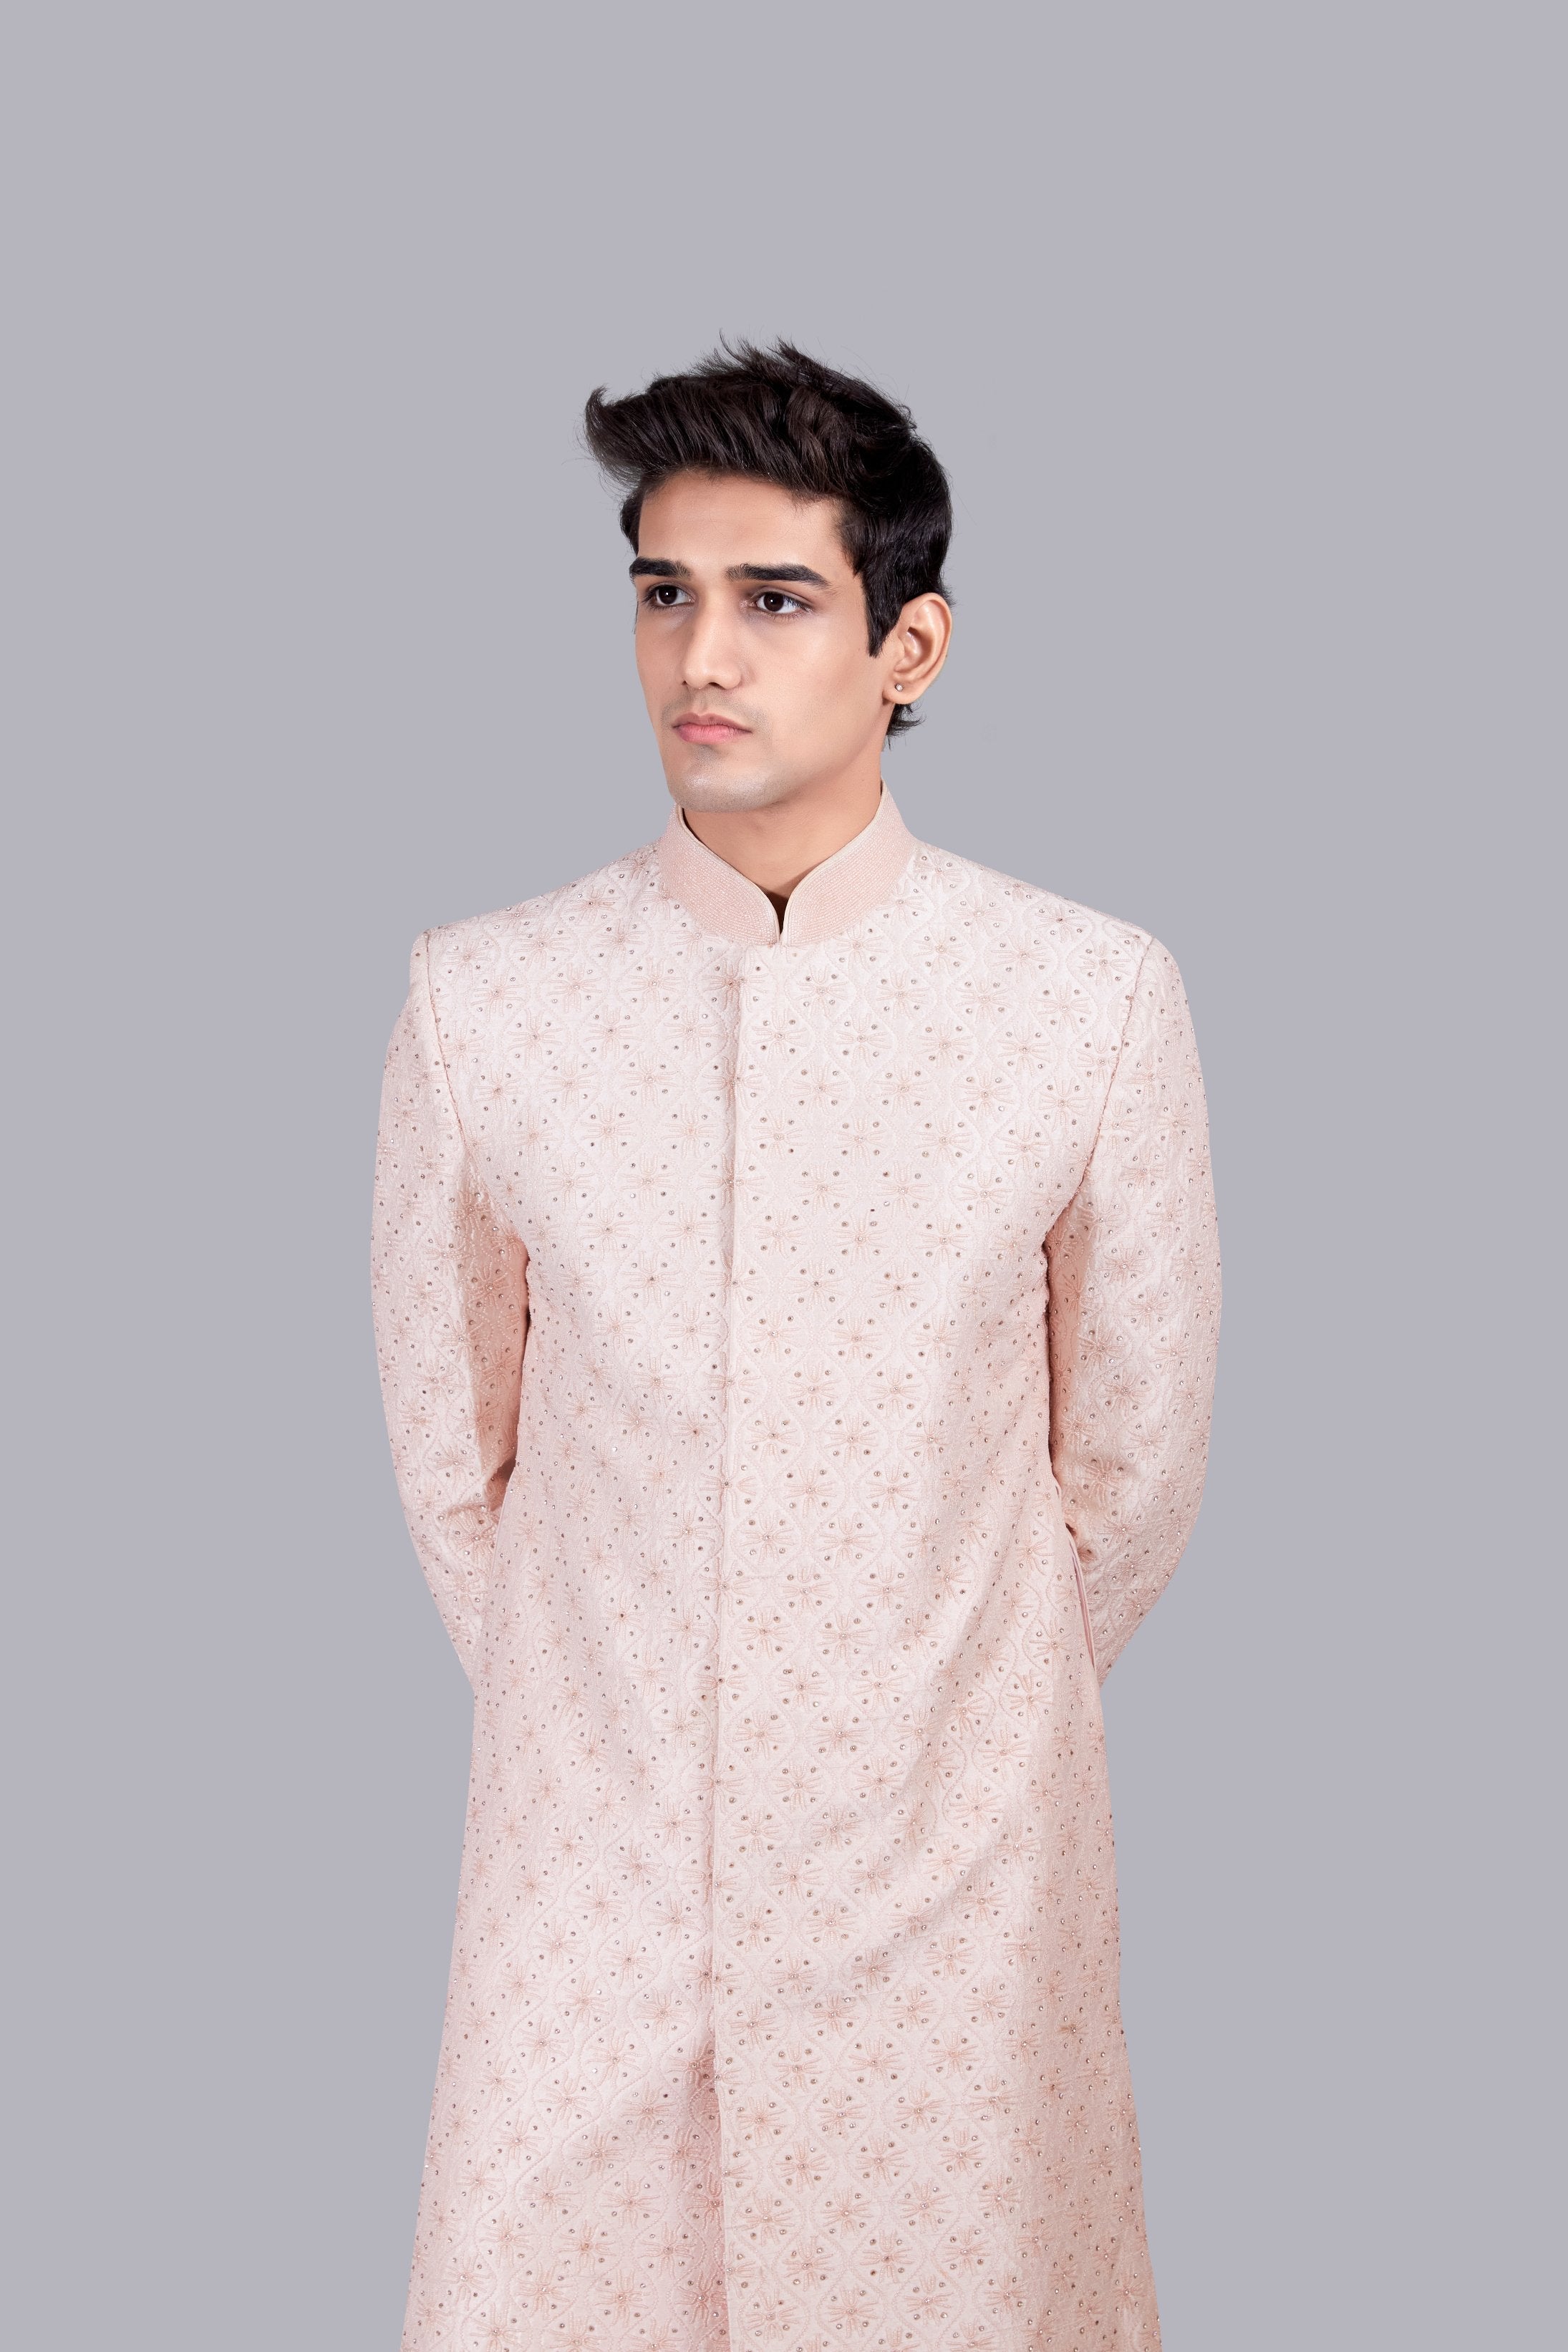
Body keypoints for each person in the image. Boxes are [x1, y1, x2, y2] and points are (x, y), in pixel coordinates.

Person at [371, 339, 1221, 2351]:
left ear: (909, 645)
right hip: (589, 1869)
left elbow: (1128, 1471)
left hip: (950, 1871)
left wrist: (924, 1706)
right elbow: (458, 1464)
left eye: (774, 599)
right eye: (663, 593)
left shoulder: (1083, 1001)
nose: (702, 657)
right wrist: (627, 1707)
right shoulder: (487, 1004)